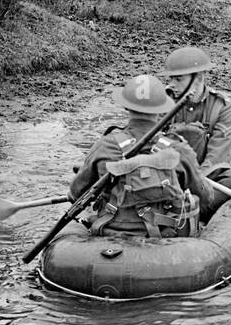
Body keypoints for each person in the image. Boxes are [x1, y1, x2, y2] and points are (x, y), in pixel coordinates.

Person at [69, 75, 214, 237]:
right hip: (162, 240)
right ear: (161, 109)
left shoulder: (105, 146)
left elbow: (76, 193)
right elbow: (206, 197)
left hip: (108, 234)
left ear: (126, 107)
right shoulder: (178, 149)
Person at [157, 46, 231, 214]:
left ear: (198, 78)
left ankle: (188, 211)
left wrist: (196, 182)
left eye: (179, 79)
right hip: (167, 172)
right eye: (171, 79)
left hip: (204, 175)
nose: (172, 85)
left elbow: (217, 157)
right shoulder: (163, 101)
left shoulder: (221, 108)